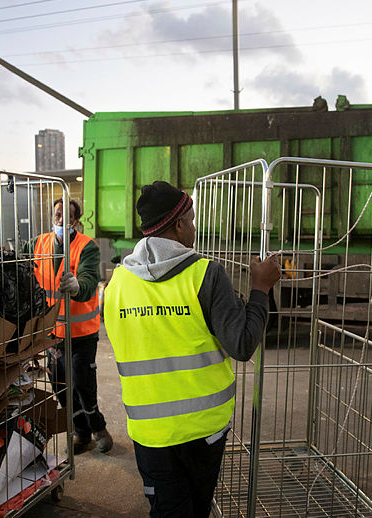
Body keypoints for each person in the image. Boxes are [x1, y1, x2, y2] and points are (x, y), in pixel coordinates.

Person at [103, 181, 281, 517]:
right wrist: (261, 289)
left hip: (149, 434)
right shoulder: (206, 274)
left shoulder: (118, 282)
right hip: (202, 432)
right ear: (180, 224)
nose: (195, 228)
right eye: (193, 220)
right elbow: (242, 345)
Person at [33, 198, 113, 454]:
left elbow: (89, 278)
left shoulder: (86, 246)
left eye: (67, 217)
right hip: (52, 334)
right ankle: (81, 432)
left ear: (76, 221)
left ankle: (98, 427)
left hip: (81, 334)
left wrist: (79, 286)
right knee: (60, 385)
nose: (60, 220)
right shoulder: (39, 243)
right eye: (57, 215)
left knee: (82, 383)